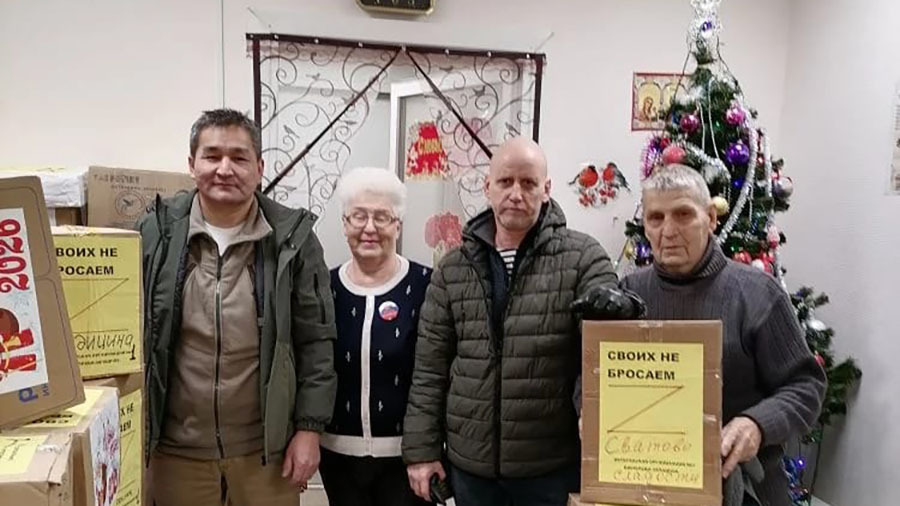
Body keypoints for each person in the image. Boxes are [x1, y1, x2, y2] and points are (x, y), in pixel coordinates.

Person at [402, 137, 641, 506]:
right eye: (505, 181)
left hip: (550, 469)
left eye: (528, 183)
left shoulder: (583, 256)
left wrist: (617, 310)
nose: (516, 193)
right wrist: (422, 451)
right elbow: (430, 368)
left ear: (546, 189)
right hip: (472, 470)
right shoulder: (453, 268)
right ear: (488, 187)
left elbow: (604, 338)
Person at [138, 108, 337, 506]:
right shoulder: (157, 233)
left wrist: (309, 429)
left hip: (266, 452)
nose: (225, 169)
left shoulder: (292, 241)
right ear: (191, 164)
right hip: (177, 452)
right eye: (212, 156)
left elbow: (316, 342)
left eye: (239, 157)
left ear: (259, 168)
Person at [620, 164, 826, 506]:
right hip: (650, 484)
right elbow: (592, 373)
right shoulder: (629, 293)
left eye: (683, 214)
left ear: (711, 218)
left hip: (745, 487)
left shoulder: (757, 293)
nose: (668, 230)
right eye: (656, 218)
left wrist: (756, 424)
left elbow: (806, 387)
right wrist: (588, 409)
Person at [318, 167, 431, 506]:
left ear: (398, 225)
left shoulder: (427, 286)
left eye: (382, 217)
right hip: (337, 456)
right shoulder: (323, 289)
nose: (369, 228)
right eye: (359, 216)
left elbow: (437, 375)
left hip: (409, 458)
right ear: (344, 224)